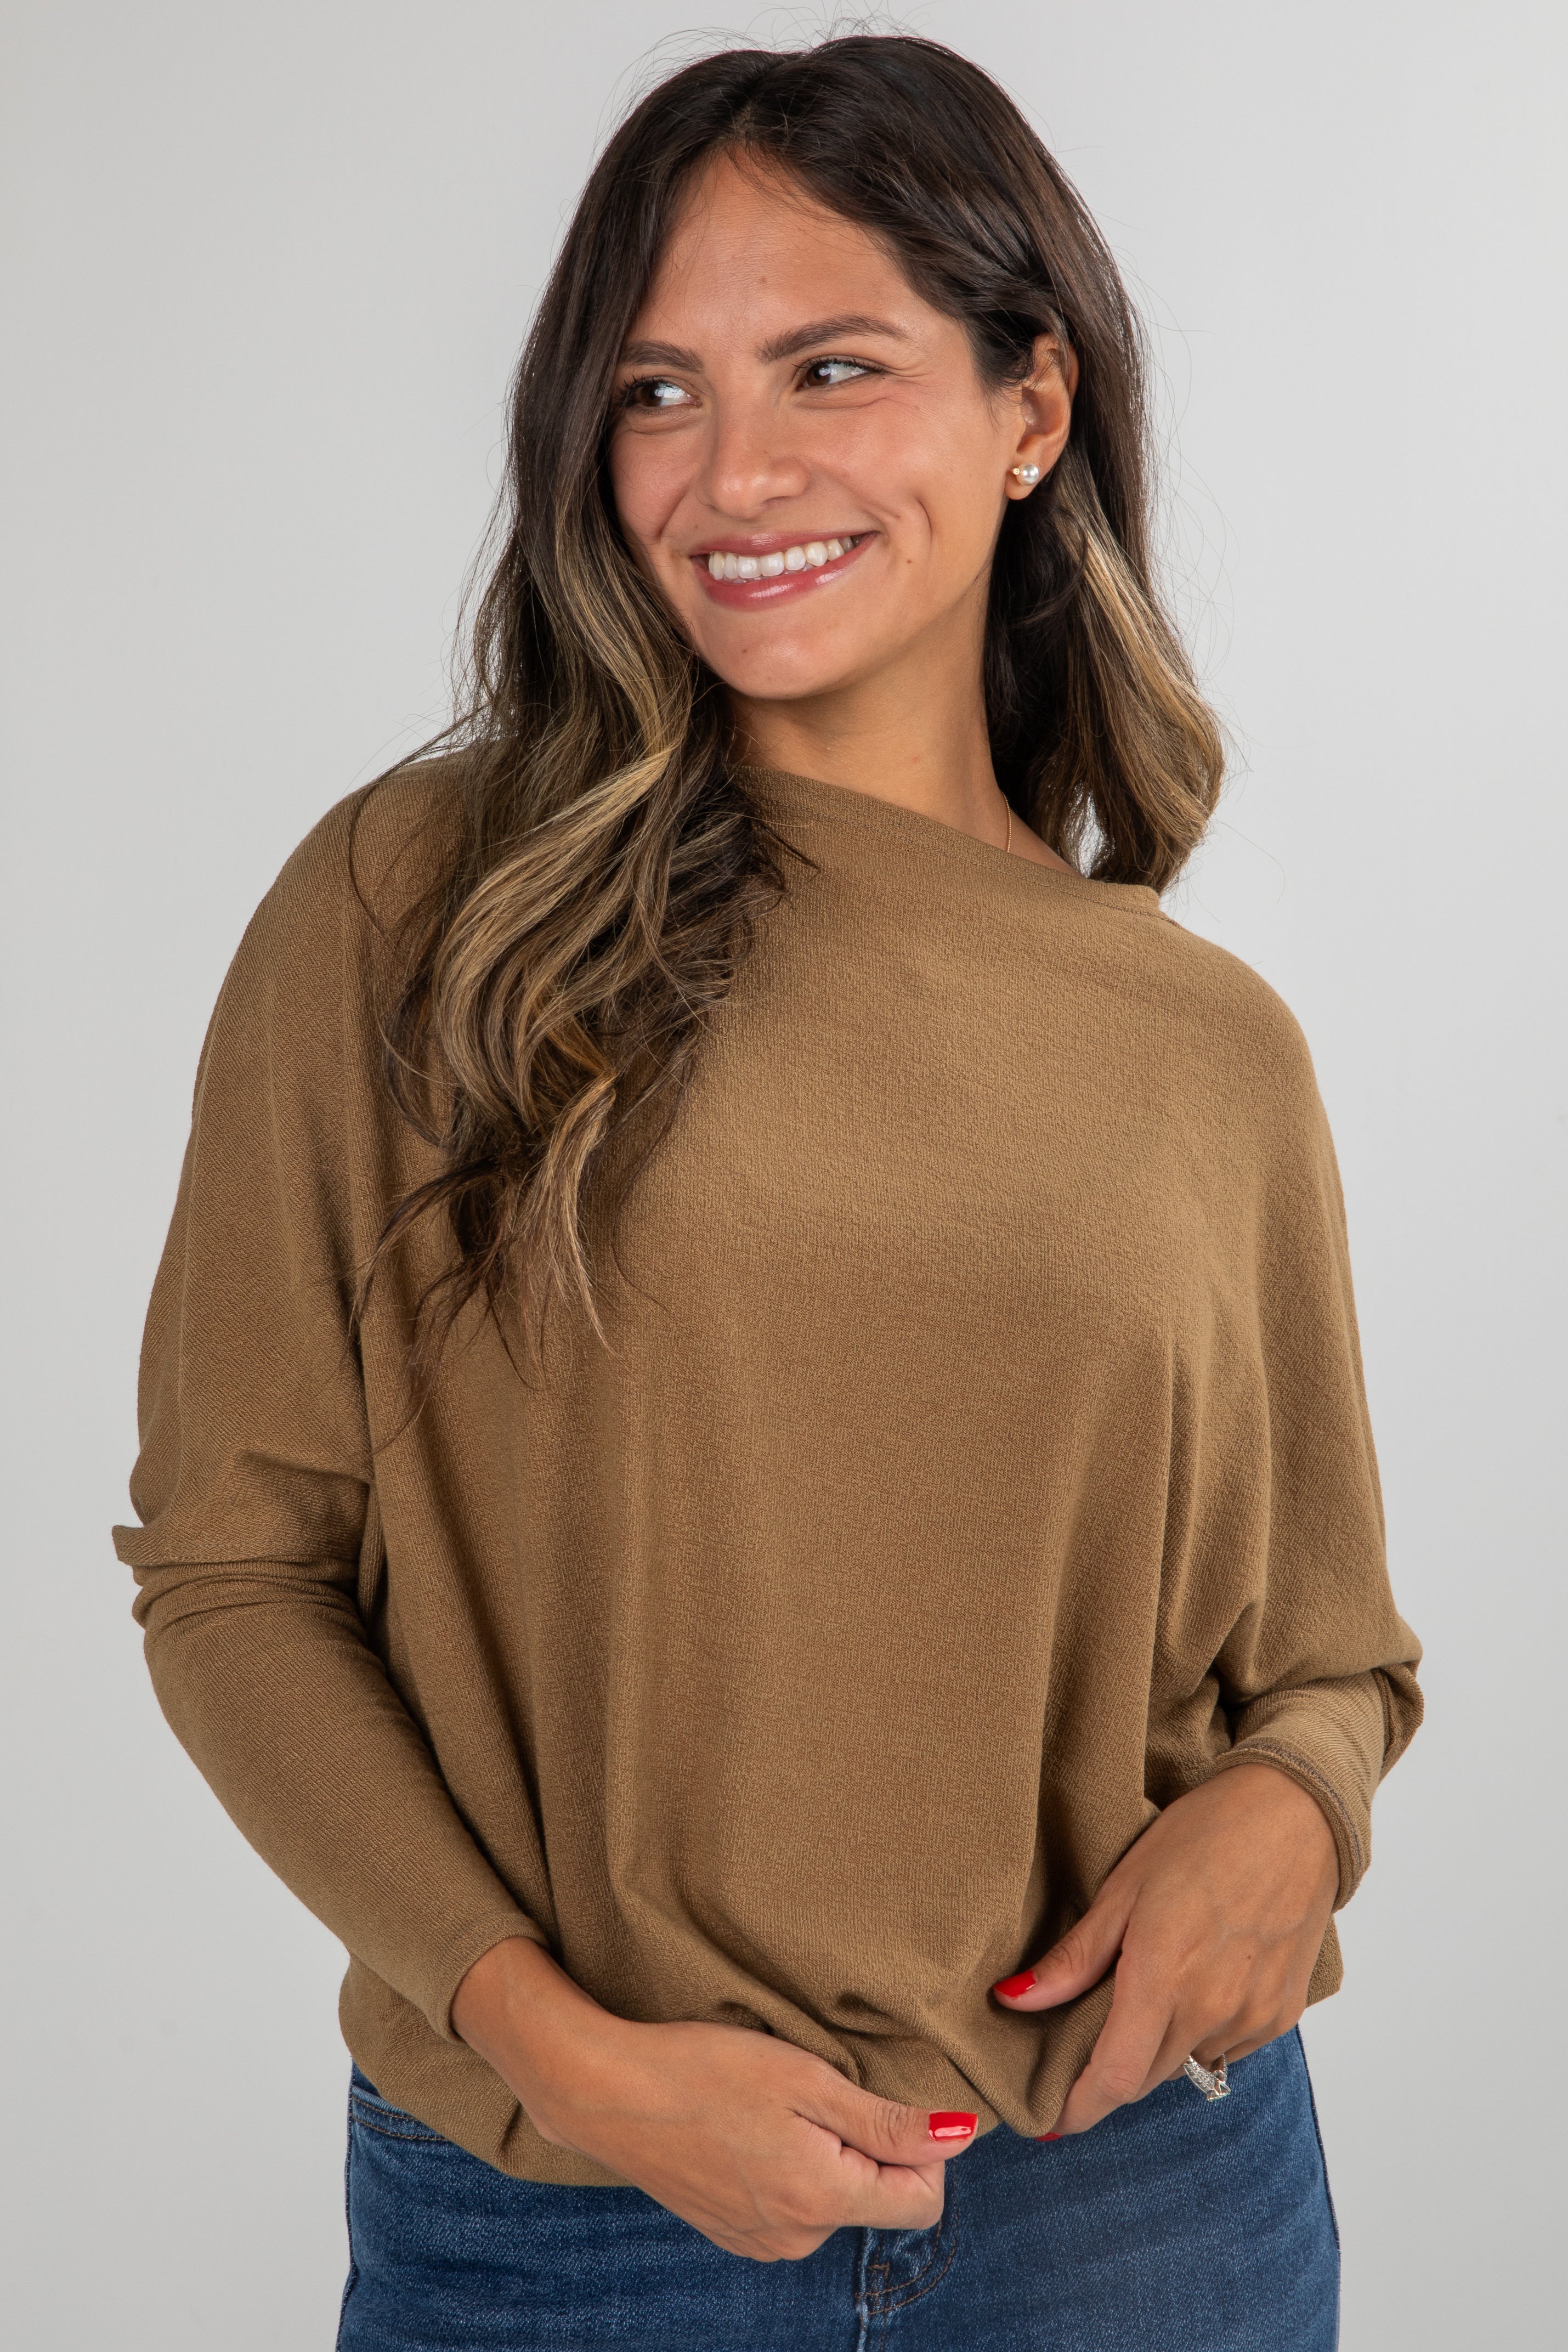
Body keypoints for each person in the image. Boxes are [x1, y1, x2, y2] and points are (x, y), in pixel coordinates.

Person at [115, 34, 1423, 2352]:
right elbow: (234, 1565)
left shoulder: (1207, 1051)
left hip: (1136, 2205)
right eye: (653, 391)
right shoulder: (423, 908)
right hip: (568, 2207)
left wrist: (1295, 1808)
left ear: (1032, 405)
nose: (732, 473)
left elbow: (1326, 1656)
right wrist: (567, 2058)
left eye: (830, 366)